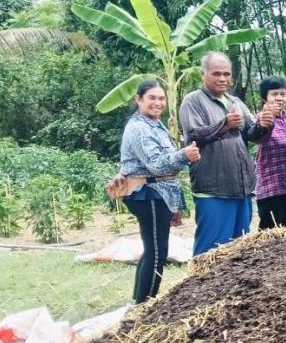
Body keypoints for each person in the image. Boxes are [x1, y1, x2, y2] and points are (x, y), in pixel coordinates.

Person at [115, 80, 200, 303]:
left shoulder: (154, 124)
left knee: (152, 248)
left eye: (161, 98)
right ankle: (146, 304)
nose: (158, 103)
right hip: (148, 192)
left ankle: (140, 300)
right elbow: (156, 164)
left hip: (154, 192)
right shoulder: (140, 128)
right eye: (152, 98)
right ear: (138, 100)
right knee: (156, 252)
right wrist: (183, 155)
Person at [178, 51, 271, 255]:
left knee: (239, 249)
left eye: (226, 74)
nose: (222, 78)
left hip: (241, 187)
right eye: (216, 73)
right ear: (203, 74)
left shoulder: (235, 102)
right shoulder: (193, 101)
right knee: (211, 250)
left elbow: (253, 134)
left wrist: (263, 125)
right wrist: (224, 125)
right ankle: (199, 287)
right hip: (214, 188)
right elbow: (194, 134)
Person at [253, 76, 286, 230]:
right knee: (272, 241)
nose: (279, 98)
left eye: (283, 94)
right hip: (273, 189)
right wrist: (265, 124)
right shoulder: (260, 118)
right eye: (274, 94)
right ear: (265, 96)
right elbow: (259, 136)